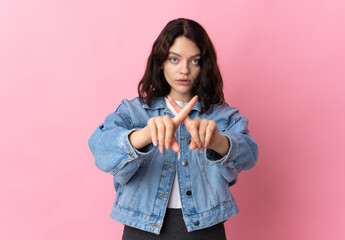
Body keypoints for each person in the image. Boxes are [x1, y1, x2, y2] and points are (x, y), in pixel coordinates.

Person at [88, 18, 258, 240]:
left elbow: (250, 155)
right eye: (174, 59)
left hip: (205, 230)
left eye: (194, 61)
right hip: (143, 229)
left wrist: (218, 141)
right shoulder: (133, 111)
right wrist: (145, 134)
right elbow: (101, 151)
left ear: (204, 64)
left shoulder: (221, 116)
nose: (184, 70)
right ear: (160, 62)